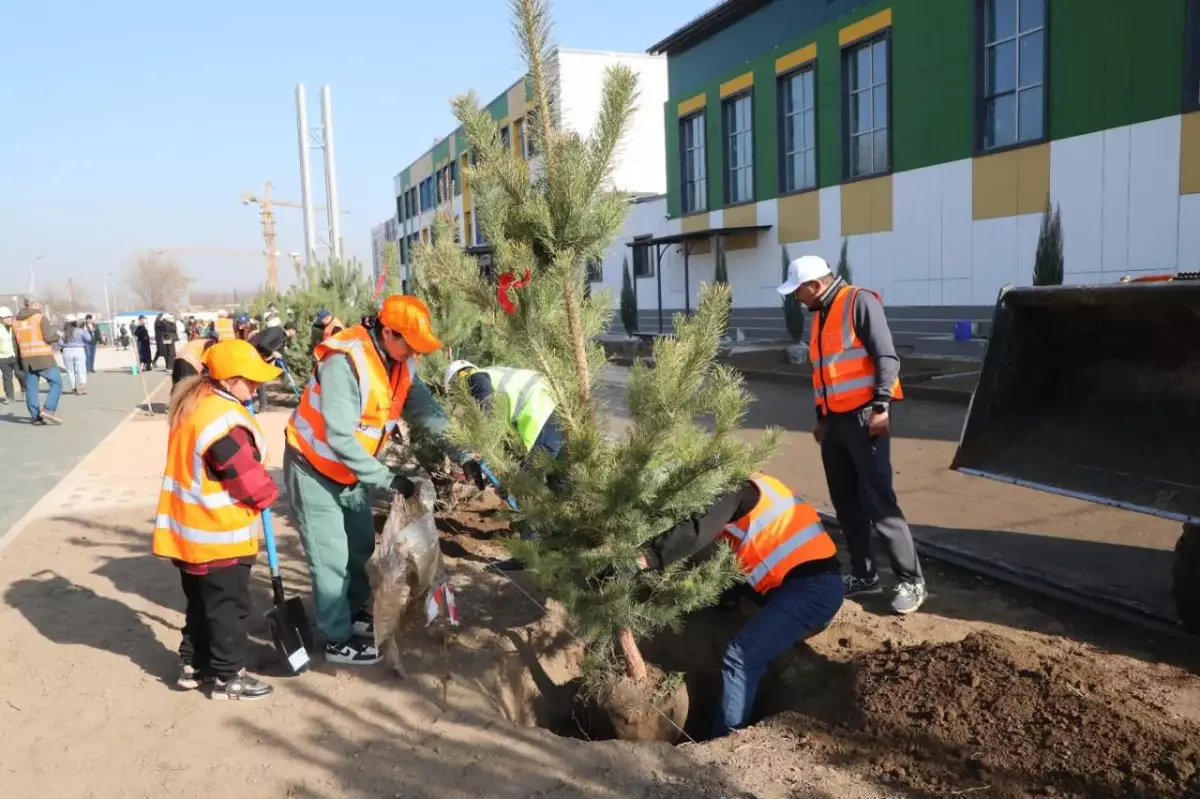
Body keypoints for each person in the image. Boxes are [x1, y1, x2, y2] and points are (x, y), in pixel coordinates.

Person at [284, 295, 483, 665]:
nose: (413, 353)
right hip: (313, 467)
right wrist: (389, 479)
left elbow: (429, 413)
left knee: (359, 547)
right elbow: (341, 438)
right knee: (330, 557)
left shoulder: (401, 363)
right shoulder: (344, 361)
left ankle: (355, 611)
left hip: (352, 471)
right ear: (387, 331)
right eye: (408, 344)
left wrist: (465, 455)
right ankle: (336, 638)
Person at [634, 473, 843, 737]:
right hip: (792, 586)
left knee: (740, 657)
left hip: (812, 590)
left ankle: (726, 739)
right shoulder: (750, 496)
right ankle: (779, 662)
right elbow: (717, 555)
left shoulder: (733, 492)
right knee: (740, 628)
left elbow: (695, 531)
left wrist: (644, 559)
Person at [777, 255, 925, 615]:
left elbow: (886, 357)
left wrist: (881, 406)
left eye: (798, 292)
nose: (797, 299)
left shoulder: (859, 302)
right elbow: (826, 373)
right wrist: (821, 417)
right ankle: (864, 574)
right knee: (845, 501)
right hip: (835, 423)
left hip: (864, 418)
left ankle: (911, 580)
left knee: (878, 502)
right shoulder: (821, 314)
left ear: (815, 285)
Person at [154, 339, 282, 700]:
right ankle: (229, 677)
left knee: (200, 606)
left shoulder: (195, 402)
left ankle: (194, 666)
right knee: (228, 610)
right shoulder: (222, 420)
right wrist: (268, 494)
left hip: (189, 534)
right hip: (218, 535)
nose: (258, 386)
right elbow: (242, 476)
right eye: (250, 379)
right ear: (228, 379)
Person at [13, 299, 63, 425]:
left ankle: (36, 417)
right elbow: (48, 337)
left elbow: (15, 345)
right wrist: (57, 335)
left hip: (26, 359)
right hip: (43, 358)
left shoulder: (15, 322)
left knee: (31, 388)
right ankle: (48, 410)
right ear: (34, 304)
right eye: (40, 304)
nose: (41, 306)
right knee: (56, 383)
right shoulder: (40, 318)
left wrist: (20, 362)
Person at [249, 320, 297, 410]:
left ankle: (262, 404)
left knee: (259, 379)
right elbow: (263, 343)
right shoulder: (277, 331)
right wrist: (272, 351)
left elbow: (280, 354)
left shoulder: (283, 337)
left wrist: (287, 370)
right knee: (257, 379)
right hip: (250, 353)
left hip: (257, 356)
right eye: (295, 332)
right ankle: (259, 404)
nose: (295, 334)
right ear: (291, 330)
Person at [59, 314, 92, 395]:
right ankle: (83, 387)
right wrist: (86, 331)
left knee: (70, 370)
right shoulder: (80, 330)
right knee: (81, 369)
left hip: (67, 351)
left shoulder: (63, 332)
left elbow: (60, 343)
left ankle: (73, 388)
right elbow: (89, 339)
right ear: (75, 322)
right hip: (79, 350)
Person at [0, 306, 24, 406]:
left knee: (20, 374)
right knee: (7, 378)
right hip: (2, 358)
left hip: (15, 356)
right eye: (7, 318)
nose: (10, 319)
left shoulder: (15, 328)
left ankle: (25, 391)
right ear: (1, 319)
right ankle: (10, 397)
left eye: (10, 317)